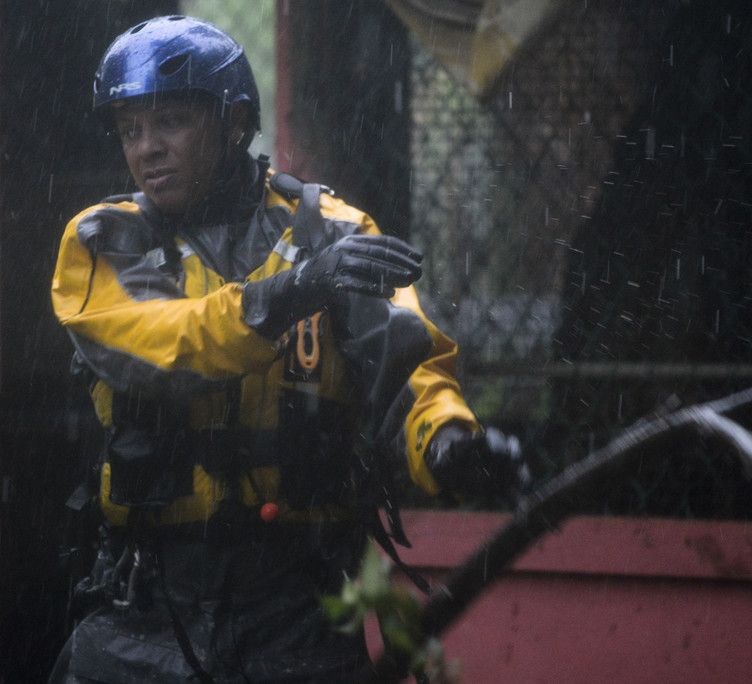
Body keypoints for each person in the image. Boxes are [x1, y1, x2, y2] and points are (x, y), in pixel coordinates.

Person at [48, 15, 529, 683]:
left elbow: (407, 368)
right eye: (131, 130)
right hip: (146, 604)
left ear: (234, 121)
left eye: (171, 122)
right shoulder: (103, 240)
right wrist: (293, 291)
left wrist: (448, 441)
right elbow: (167, 347)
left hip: (299, 604)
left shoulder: (336, 233)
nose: (148, 149)